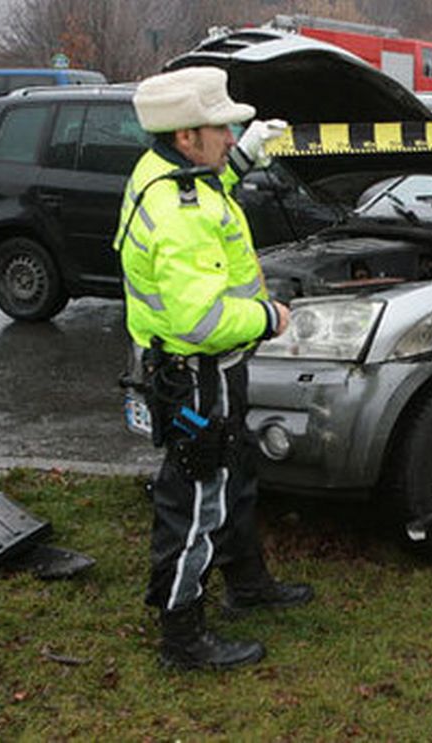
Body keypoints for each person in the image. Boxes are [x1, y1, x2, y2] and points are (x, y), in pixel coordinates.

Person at [116, 67, 313, 670]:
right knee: (196, 499)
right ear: (186, 136)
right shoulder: (181, 211)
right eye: (222, 129)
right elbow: (200, 320)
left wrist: (245, 155)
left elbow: (212, 186)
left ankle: (247, 583)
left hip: (209, 370)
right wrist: (269, 317)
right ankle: (183, 637)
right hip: (197, 372)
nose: (230, 137)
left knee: (234, 473)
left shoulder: (171, 173)